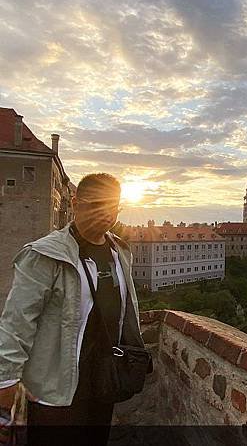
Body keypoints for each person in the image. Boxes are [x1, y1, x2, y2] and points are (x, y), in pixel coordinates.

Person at [0, 173, 146, 446]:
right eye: (96, 205)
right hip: (56, 384)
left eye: (112, 207)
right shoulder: (45, 254)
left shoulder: (120, 251)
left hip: (103, 379)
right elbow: (16, 322)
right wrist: (5, 380)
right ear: (76, 203)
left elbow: (126, 312)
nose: (105, 214)